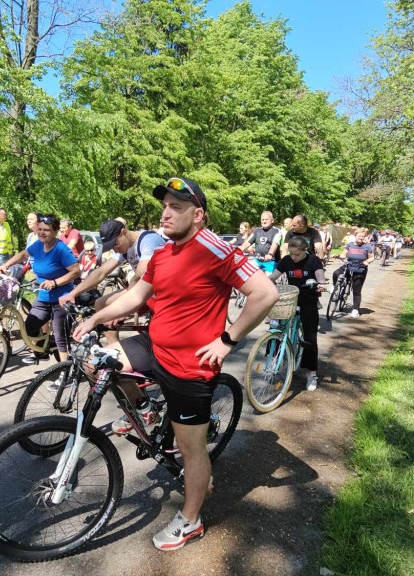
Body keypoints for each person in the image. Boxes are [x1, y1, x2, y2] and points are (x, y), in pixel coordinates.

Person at [72, 177, 277, 551]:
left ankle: (191, 520)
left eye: (176, 207)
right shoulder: (163, 252)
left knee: (190, 449)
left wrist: (227, 340)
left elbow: (265, 293)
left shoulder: (214, 248)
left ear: (198, 215)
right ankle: (147, 412)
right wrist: (95, 320)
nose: (166, 213)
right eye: (165, 205)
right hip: (156, 347)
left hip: (190, 367)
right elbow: (137, 294)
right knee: (98, 364)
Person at [59, 218, 166, 349]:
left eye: (115, 244)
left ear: (124, 232)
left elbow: (139, 277)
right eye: (111, 247)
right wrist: (73, 293)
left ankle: (119, 353)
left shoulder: (149, 241)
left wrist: (122, 312)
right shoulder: (124, 246)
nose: (115, 250)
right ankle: (113, 351)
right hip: (145, 292)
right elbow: (100, 272)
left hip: (160, 294)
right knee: (100, 303)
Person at [1, 214, 80, 362]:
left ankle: (65, 374)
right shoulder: (38, 245)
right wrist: (7, 264)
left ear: (55, 232)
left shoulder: (61, 249)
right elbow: (24, 254)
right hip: (43, 297)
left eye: (47, 230)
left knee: (60, 336)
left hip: (62, 298)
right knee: (29, 327)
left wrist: (55, 282)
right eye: (40, 229)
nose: (42, 233)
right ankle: (44, 348)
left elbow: (76, 271)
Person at [269, 237, 328, 391]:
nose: (293, 258)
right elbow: (273, 276)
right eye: (291, 254)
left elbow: (320, 277)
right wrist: (265, 283)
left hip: (308, 300)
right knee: (275, 326)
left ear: (305, 251)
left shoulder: (313, 261)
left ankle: (312, 373)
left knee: (310, 336)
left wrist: (321, 285)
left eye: (296, 254)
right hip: (290, 299)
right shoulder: (286, 260)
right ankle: (275, 358)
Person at [332, 227, 375, 318]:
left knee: (356, 290)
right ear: (355, 235)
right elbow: (344, 254)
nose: (361, 238)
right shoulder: (350, 245)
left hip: (360, 268)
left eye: (363, 236)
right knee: (336, 273)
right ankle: (334, 287)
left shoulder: (367, 247)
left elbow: (371, 257)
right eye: (359, 236)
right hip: (349, 265)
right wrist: (338, 256)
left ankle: (355, 309)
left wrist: (367, 261)